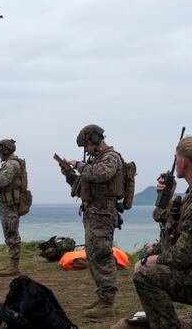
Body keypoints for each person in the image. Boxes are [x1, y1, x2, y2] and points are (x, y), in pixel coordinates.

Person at [113, 136, 192, 329]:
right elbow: (172, 231)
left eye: (176, 158)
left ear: (182, 161)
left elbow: (183, 255)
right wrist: (165, 196)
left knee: (146, 276)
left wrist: (148, 260)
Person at [60, 124, 125, 318]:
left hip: (103, 214)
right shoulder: (97, 160)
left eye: (87, 145)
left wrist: (79, 166)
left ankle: (107, 302)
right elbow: (85, 186)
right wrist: (71, 176)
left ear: (96, 140)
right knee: (94, 255)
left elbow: (100, 174)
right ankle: (102, 297)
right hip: (94, 213)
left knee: (103, 255)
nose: (86, 150)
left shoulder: (111, 158)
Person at [0, 139, 29, 277]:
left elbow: (2, 181)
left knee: (11, 233)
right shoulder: (11, 164)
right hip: (8, 204)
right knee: (10, 232)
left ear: (5, 151)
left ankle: (14, 267)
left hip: (10, 205)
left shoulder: (11, 165)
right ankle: (12, 264)